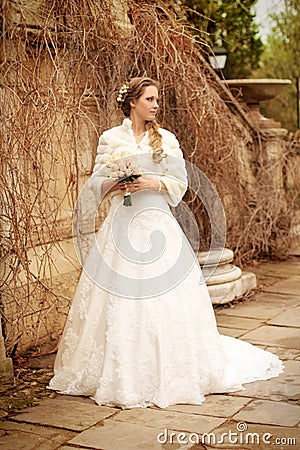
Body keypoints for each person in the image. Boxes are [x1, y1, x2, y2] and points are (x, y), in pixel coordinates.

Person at [48, 76, 283, 409]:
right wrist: (118, 183)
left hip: (158, 225)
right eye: (150, 99)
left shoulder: (167, 140)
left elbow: (181, 184)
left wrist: (150, 181)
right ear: (132, 102)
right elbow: (96, 184)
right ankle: (118, 373)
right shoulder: (109, 139)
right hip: (121, 228)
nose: (156, 105)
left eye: (158, 99)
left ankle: (175, 370)